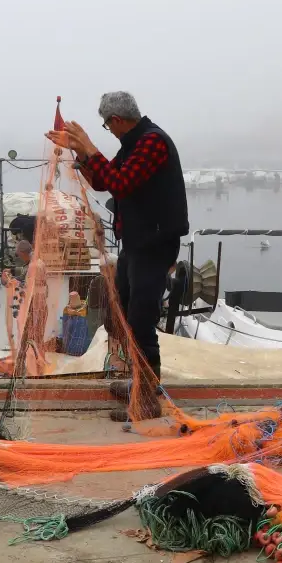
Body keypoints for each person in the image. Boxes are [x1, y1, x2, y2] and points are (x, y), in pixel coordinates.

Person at [47, 91, 189, 419]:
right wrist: (81, 154)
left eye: (107, 127)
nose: (108, 132)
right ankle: (140, 380)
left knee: (140, 318)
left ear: (116, 120)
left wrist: (89, 147)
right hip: (136, 243)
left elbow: (121, 184)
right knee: (123, 310)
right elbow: (103, 182)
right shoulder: (134, 145)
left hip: (154, 244)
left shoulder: (153, 143)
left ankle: (147, 399)